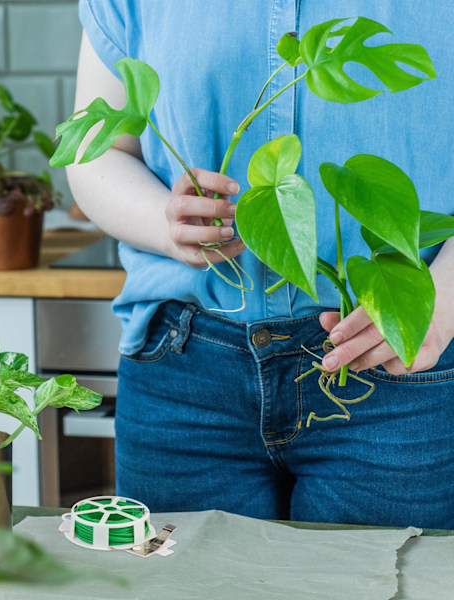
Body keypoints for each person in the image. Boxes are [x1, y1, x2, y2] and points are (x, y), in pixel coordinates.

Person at [66, 1, 454, 528]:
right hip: (185, 372)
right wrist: (166, 221)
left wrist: (444, 297)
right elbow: (98, 151)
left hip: (392, 366)